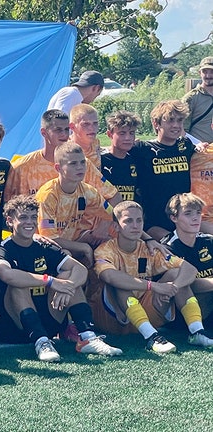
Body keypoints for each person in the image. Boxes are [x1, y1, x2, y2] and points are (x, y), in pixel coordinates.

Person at [0, 196, 122, 362]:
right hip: (16, 326)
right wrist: (51, 281)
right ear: (10, 221)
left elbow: (80, 269)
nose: (29, 222)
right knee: (18, 284)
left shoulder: (43, 245)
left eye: (33, 217)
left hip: (49, 318)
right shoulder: (2, 248)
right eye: (23, 217)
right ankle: (41, 342)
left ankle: (87, 337)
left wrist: (68, 286)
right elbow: (7, 274)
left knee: (69, 276)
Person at [92, 201, 213, 352]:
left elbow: (189, 269)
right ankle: (152, 338)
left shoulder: (150, 249)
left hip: (145, 313)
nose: (135, 225)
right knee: (122, 283)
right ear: (116, 226)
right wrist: (154, 286)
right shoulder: (105, 249)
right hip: (111, 319)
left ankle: (197, 331)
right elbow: (109, 276)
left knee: (176, 274)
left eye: (139, 220)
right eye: (128, 221)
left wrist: (172, 287)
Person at [5, 109, 119, 204]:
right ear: (44, 133)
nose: (64, 135)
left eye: (66, 129)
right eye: (58, 130)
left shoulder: (82, 164)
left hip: (79, 231)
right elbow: (7, 207)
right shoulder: (22, 168)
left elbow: (114, 195)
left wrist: (104, 225)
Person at [35, 143, 113, 267]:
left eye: (83, 162)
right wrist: (84, 247)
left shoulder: (88, 191)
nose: (80, 167)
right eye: (73, 164)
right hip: (45, 249)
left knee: (110, 247)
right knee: (67, 257)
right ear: (58, 168)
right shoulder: (48, 196)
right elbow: (50, 239)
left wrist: (101, 229)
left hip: (74, 242)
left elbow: (111, 213)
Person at [131, 100, 196, 240]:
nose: (176, 125)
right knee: (173, 247)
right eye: (170, 120)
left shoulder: (186, 146)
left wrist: (201, 147)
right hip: (153, 223)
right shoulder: (142, 149)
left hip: (183, 219)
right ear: (156, 123)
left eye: (180, 120)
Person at [163, 193, 213, 326]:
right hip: (181, 312)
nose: (195, 218)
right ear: (174, 217)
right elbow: (183, 285)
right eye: (188, 213)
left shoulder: (208, 241)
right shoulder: (167, 248)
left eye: (198, 213)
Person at [100, 110, 141, 201]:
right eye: (122, 133)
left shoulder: (136, 158)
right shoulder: (100, 160)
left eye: (131, 133)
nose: (128, 138)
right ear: (110, 134)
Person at [181, 56, 213, 143]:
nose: (208, 76)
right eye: (205, 72)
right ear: (200, 73)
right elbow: (181, 129)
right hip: (199, 152)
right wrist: (197, 145)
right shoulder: (190, 98)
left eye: (212, 72)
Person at [68, 104, 102, 169]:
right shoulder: (67, 150)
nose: (92, 128)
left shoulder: (96, 142)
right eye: (86, 124)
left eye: (95, 123)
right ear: (72, 127)